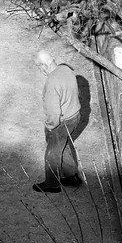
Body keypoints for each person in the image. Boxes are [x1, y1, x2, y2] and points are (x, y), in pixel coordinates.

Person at [32, 50, 83, 193]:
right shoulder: (66, 69)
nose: (40, 69)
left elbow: (53, 112)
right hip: (75, 115)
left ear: (45, 64)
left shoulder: (51, 83)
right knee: (63, 144)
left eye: (39, 66)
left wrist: (50, 127)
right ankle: (70, 176)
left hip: (63, 121)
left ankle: (52, 184)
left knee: (52, 153)